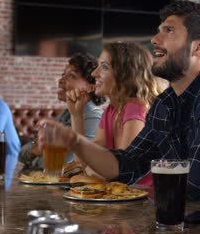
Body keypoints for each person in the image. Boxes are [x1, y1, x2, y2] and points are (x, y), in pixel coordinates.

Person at [39, 0, 200, 201]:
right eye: (159, 31)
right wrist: (74, 141)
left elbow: (198, 188)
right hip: (189, 226)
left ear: (198, 47)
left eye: (168, 31)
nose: (155, 39)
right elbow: (126, 166)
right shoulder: (166, 102)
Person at [66, 42, 161, 186]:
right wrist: (76, 114)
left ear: (126, 74)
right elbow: (83, 164)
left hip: (142, 201)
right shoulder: (111, 110)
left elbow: (121, 172)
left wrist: (91, 169)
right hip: (119, 197)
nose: (94, 73)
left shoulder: (135, 108)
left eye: (104, 67)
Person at [18, 53, 104, 170]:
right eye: (63, 75)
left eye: (71, 76)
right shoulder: (66, 113)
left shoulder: (93, 116)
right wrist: (36, 149)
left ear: (91, 85)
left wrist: (37, 153)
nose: (61, 80)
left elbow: (67, 166)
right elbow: (22, 154)